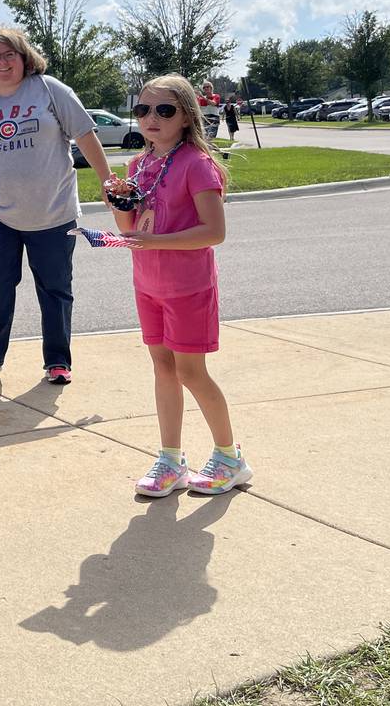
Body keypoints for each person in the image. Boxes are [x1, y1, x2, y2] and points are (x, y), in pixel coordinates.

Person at [104, 74, 252, 499]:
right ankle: (171, 459)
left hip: (188, 287)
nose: (151, 118)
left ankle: (229, 458)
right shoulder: (138, 165)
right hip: (148, 283)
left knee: (191, 371)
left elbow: (214, 232)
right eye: (142, 109)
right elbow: (131, 229)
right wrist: (118, 208)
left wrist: (155, 242)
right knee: (163, 368)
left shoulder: (197, 165)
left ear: (186, 117)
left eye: (164, 110)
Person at [0, 26, 116, 386]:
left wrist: (106, 179)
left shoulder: (49, 89)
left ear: (24, 58)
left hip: (53, 211)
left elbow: (85, 133)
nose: (2, 62)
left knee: (54, 287)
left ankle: (57, 361)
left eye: (10, 54)